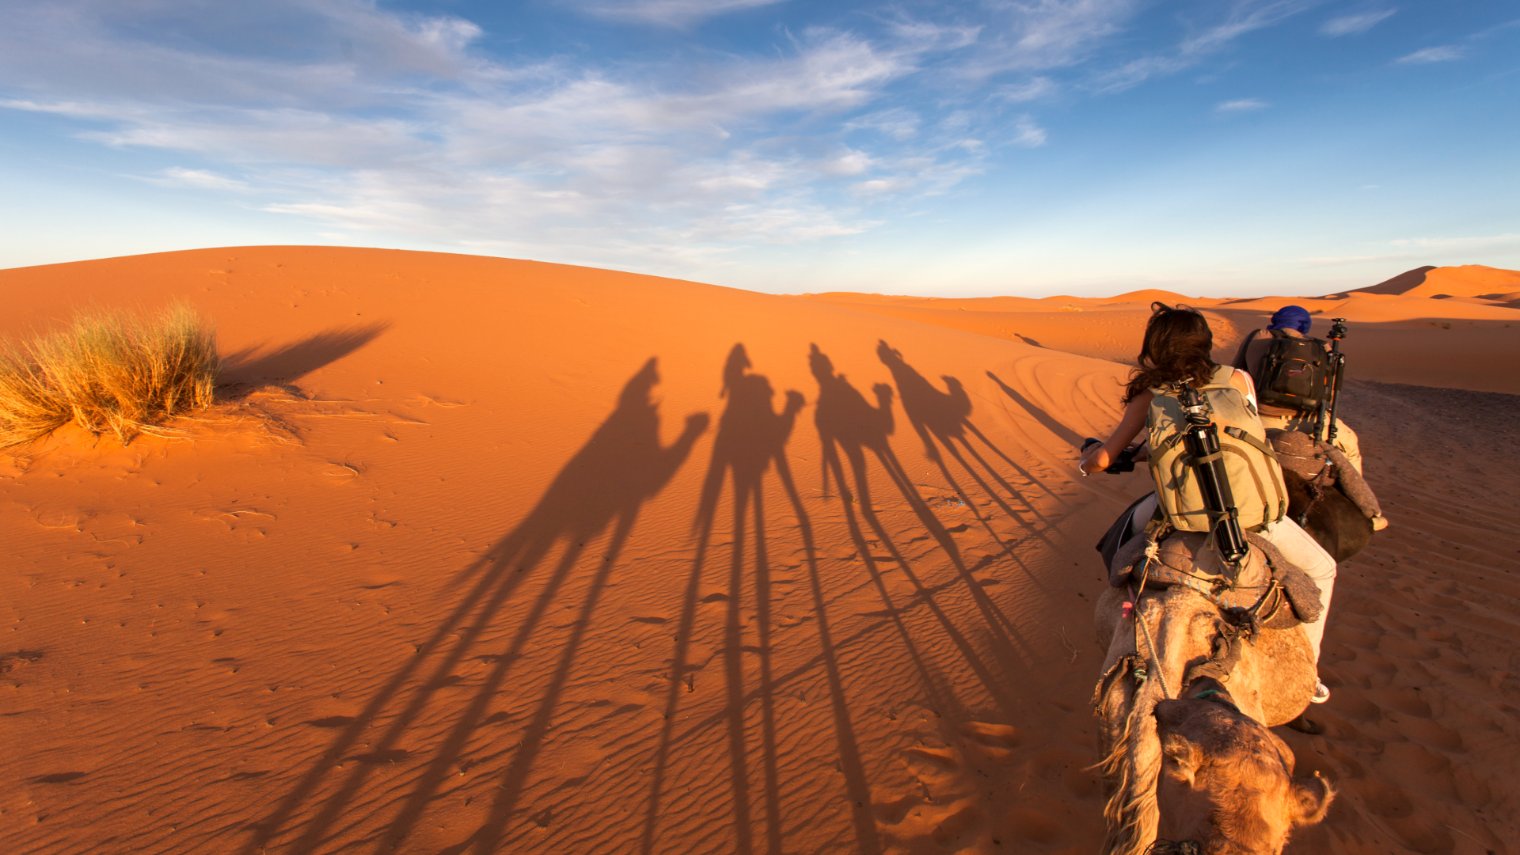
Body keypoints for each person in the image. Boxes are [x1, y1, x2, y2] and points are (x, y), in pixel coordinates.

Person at [1081, 304, 1338, 702]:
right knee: (1323, 569)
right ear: (1205, 342)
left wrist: (1091, 458)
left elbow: (1101, 460)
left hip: (1182, 516)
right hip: (1252, 516)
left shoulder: (1149, 394)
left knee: (1118, 544)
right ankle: (1311, 676)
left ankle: (1125, 613)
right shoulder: (1238, 379)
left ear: (1155, 345)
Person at [1232, 305, 1364, 475]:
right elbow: (1329, 394)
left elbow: (1235, 374)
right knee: (1350, 446)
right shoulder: (1322, 348)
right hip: (1309, 422)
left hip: (1261, 419)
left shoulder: (1258, 337)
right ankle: (1360, 499)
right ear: (1305, 325)